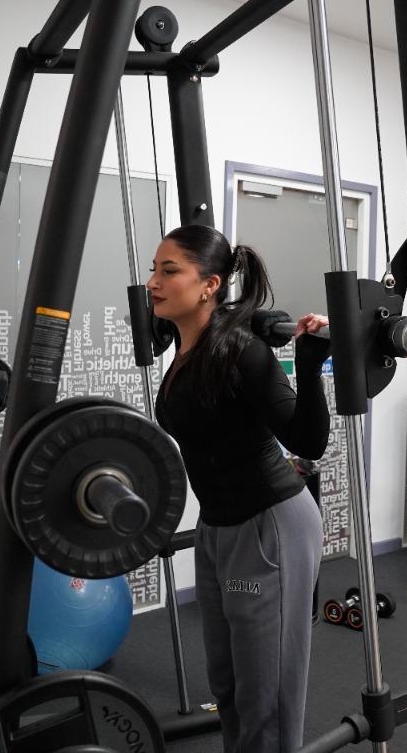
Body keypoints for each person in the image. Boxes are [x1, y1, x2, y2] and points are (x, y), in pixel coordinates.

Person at [148, 225, 331, 753]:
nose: (153, 283)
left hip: (269, 525)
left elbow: (308, 440)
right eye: (154, 270)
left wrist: (313, 366)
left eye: (169, 271)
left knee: (266, 696)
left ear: (208, 284)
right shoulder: (187, 346)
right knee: (227, 685)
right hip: (218, 530)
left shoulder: (242, 352)